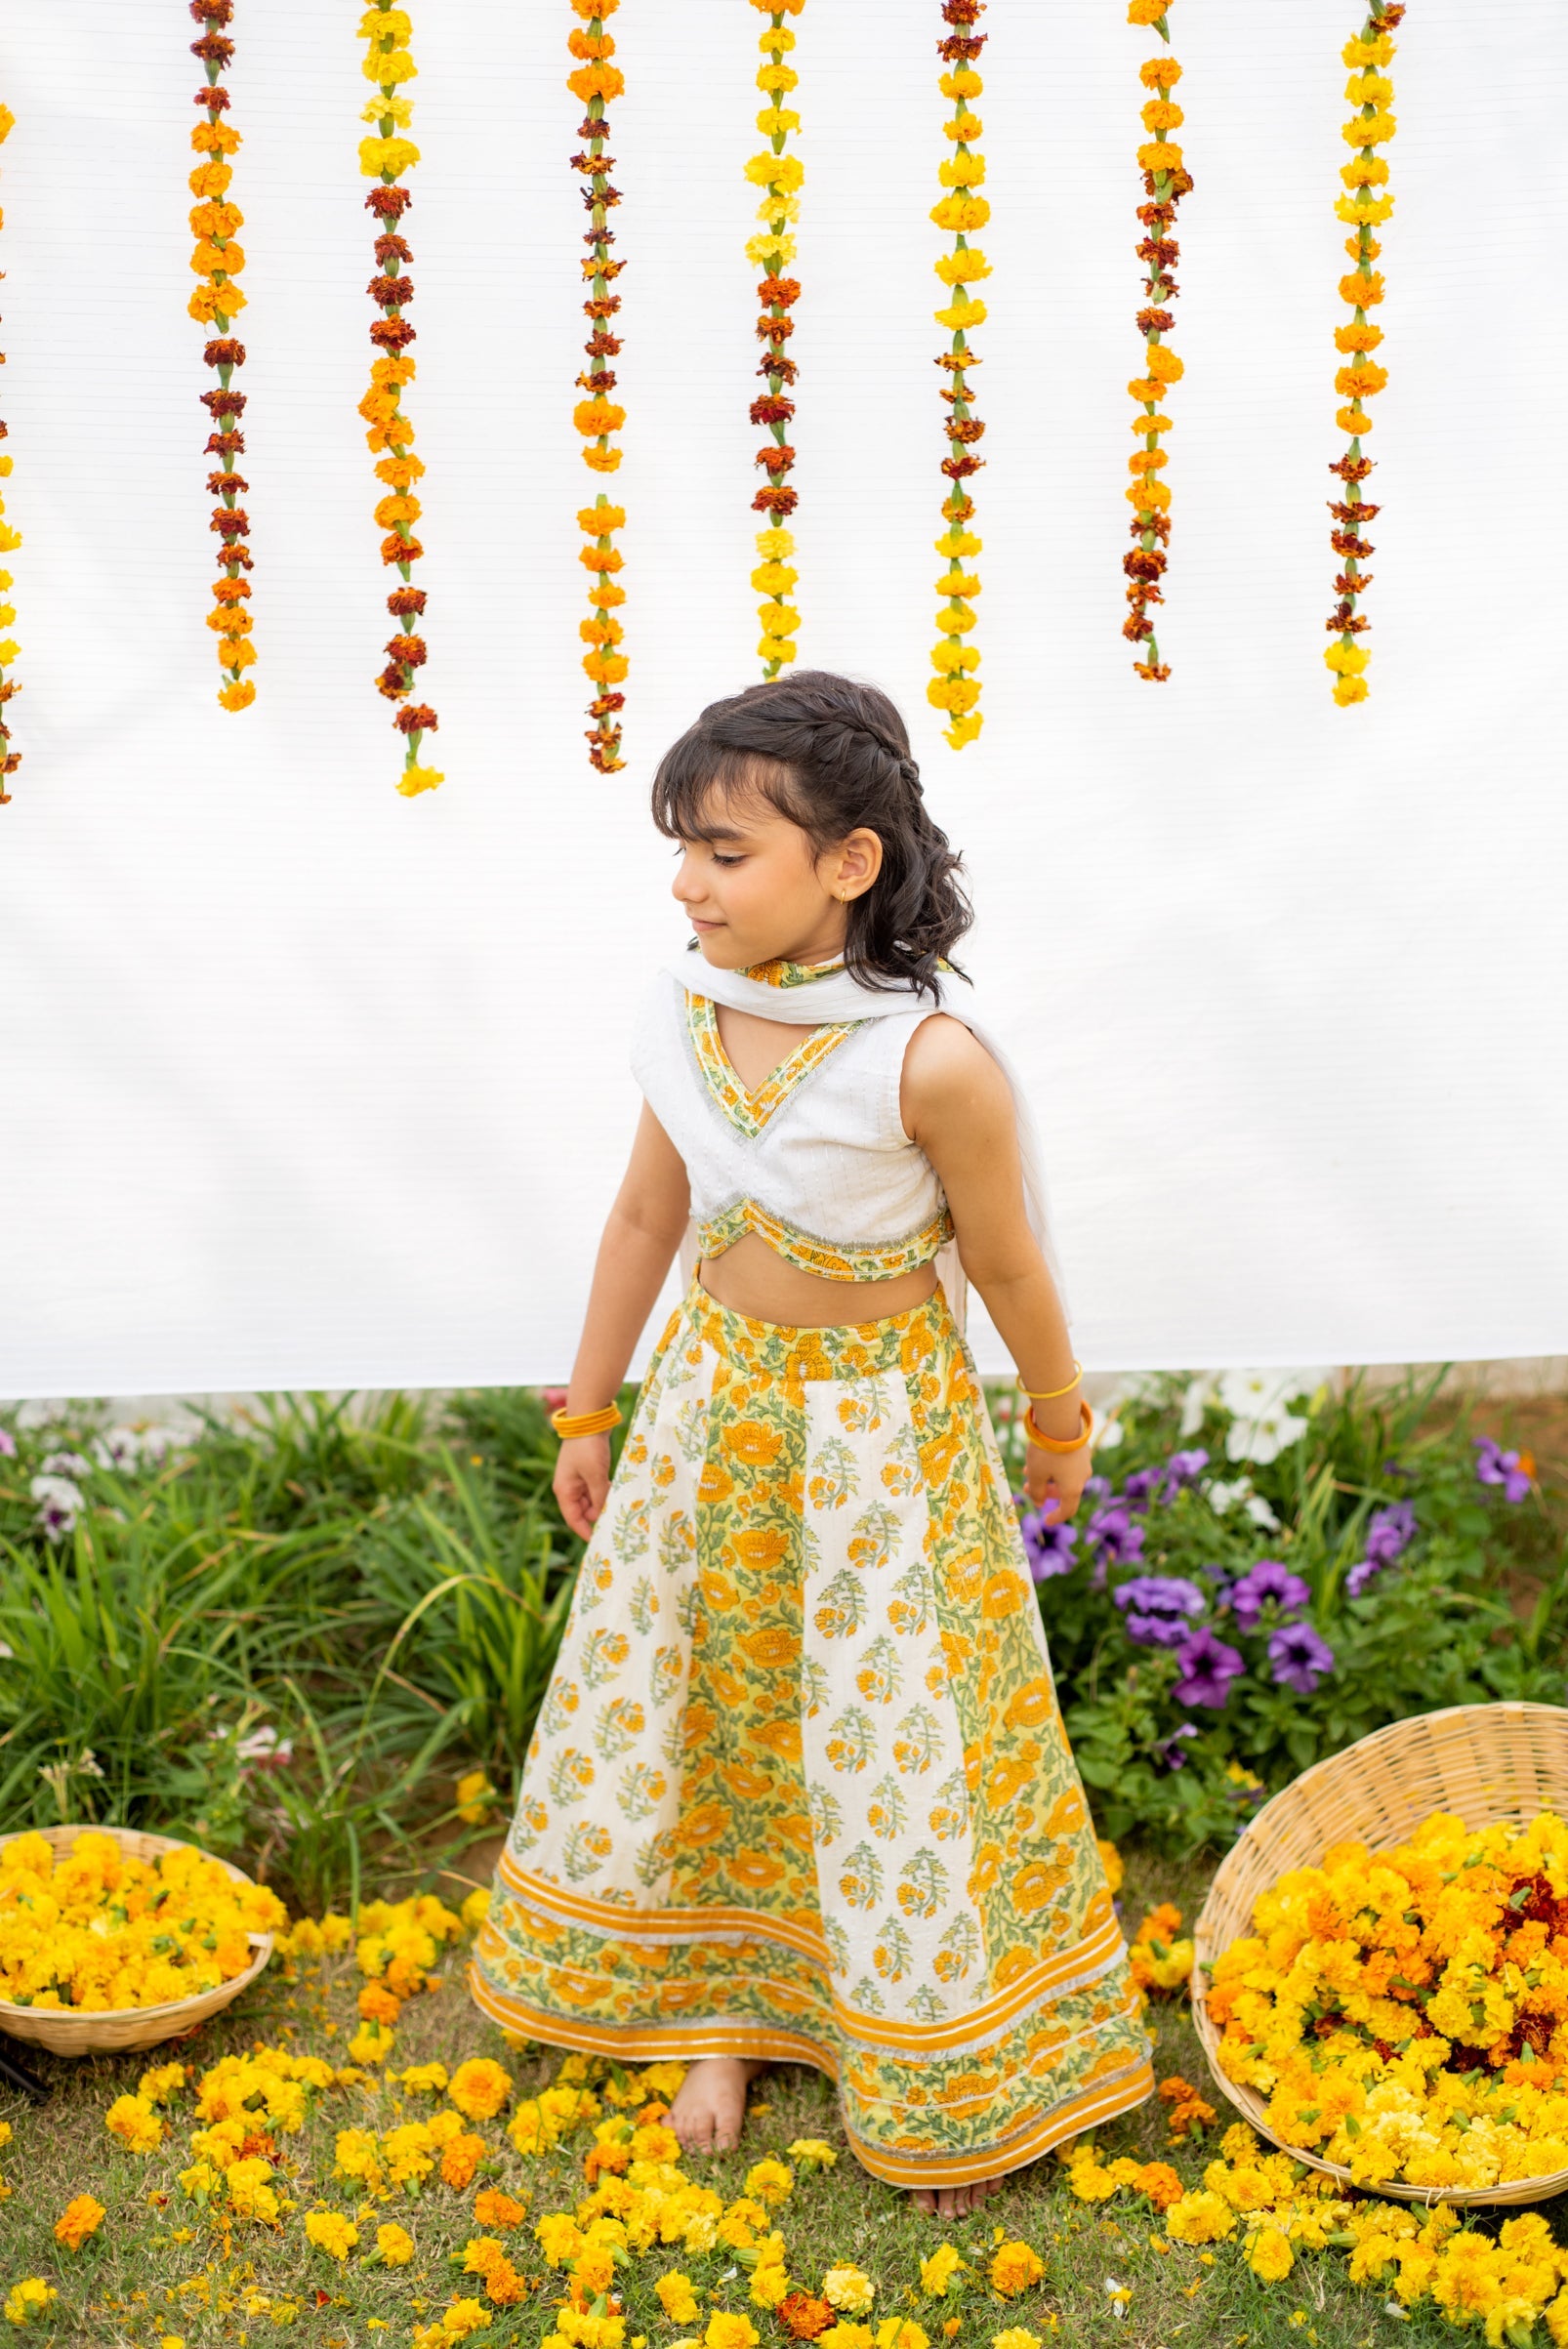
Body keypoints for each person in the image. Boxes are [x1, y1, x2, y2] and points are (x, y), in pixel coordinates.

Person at [470, 671, 1152, 2216]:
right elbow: (643, 1217)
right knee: (715, 1710)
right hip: (710, 1423)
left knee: (891, 1729)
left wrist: (1057, 1417)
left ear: (848, 862)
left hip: (880, 1455)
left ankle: (933, 2057)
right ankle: (718, 2015)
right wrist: (591, 1403)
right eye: (681, 849)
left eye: (723, 852)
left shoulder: (929, 1061)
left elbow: (1007, 1262)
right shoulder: (688, 1012)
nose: (686, 882)